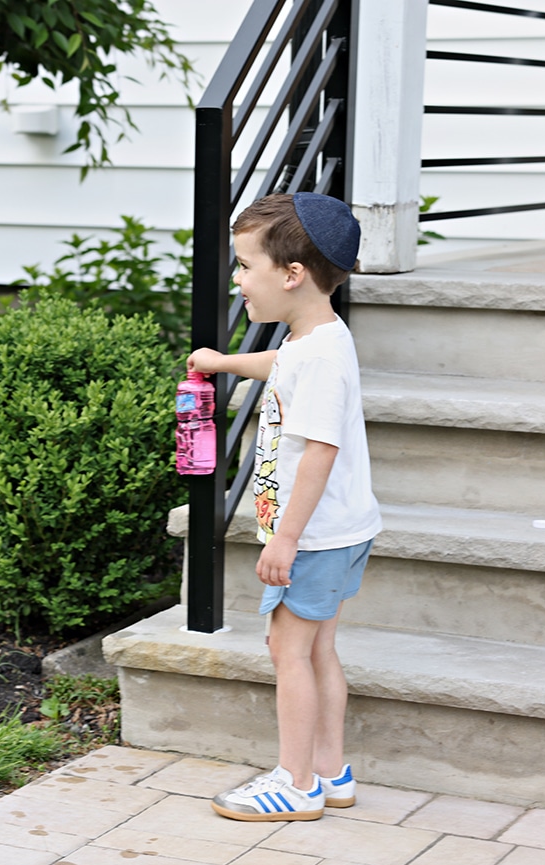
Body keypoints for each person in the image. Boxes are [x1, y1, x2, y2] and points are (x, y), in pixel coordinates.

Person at [190, 192, 381, 823]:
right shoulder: (316, 337)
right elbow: (282, 365)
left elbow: (321, 450)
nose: (239, 280)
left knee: (287, 650)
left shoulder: (320, 355)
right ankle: (330, 773)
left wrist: (286, 538)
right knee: (319, 648)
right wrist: (224, 364)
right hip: (336, 530)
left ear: (291, 274)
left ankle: (295, 783)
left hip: (315, 535)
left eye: (246, 266)